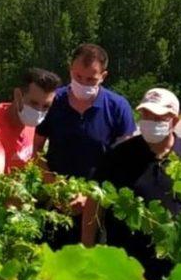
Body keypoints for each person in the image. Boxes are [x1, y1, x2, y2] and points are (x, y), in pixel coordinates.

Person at [82, 87, 181, 280]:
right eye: (146, 115)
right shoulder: (119, 156)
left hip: (177, 271)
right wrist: (88, 252)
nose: (150, 122)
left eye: (159, 117)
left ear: (175, 121)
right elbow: (94, 202)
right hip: (127, 270)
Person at [34, 43, 136, 243]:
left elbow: (126, 162)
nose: (83, 83)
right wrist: (54, 187)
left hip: (100, 208)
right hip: (55, 205)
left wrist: (91, 198)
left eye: (91, 79)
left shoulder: (117, 107)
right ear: (70, 70)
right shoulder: (53, 102)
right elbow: (34, 147)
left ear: (103, 77)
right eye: (78, 77)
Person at [0, 67, 60, 190]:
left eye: (46, 106)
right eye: (34, 103)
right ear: (18, 96)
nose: (38, 111)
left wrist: (59, 189)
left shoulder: (27, 123)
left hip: (10, 205)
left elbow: (31, 157)